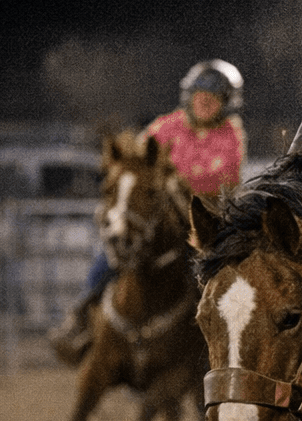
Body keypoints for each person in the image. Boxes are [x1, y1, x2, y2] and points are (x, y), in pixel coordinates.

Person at [49, 59, 247, 360]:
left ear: (226, 105)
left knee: (219, 269)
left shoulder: (231, 136)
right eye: (199, 97)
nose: (204, 104)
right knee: (116, 250)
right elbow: (137, 158)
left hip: (203, 221)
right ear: (189, 98)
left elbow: (222, 178)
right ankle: (80, 315)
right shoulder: (168, 126)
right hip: (161, 215)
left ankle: (222, 339)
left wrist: (175, 179)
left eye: (212, 100)